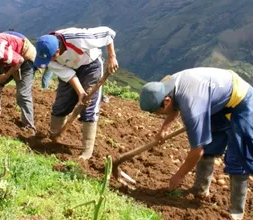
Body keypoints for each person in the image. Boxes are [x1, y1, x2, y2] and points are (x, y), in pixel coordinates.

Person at [139, 67, 253, 220]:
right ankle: (200, 190)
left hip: (242, 100)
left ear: (166, 102)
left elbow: (196, 151)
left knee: (239, 157)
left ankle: (235, 213)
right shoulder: (166, 86)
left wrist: (179, 176)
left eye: (158, 113)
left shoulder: (193, 107)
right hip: (217, 102)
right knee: (209, 147)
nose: (159, 115)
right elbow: (173, 105)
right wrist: (164, 128)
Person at [34, 26, 118, 160]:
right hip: (70, 68)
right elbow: (68, 74)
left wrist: (112, 57)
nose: (50, 62)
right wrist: (80, 92)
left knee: (88, 107)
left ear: (57, 51)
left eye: (52, 58)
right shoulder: (46, 55)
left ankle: (86, 151)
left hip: (91, 66)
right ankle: (55, 137)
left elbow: (108, 33)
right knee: (61, 105)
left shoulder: (79, 38)